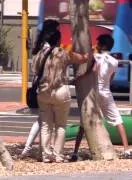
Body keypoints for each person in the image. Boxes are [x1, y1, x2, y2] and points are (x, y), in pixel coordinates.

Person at [71, 34, 132, 161]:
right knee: (117, 120)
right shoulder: (114, 61)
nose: (96, 45)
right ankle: (127, 150)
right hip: (106, 92)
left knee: (84, 122)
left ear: (102, 45)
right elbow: (111, 79)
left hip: (94, 92)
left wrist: (78, 78)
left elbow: (93, 70)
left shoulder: (95, 58)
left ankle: (75, 152)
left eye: (98, 43)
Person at [33, 29, 89, 163]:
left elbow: (35, 70)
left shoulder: (40, 54)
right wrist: (88, 53)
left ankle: (45, 155)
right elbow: (82, 59)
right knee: (61, 125)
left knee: (46, 125)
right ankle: (58, 155)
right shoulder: (62, 53)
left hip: (43, 91)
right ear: (58, 40)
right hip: (60, 91)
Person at [21, 19, 60, 157]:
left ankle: (32, 148)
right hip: (49, 87)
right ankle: (40, 149)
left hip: (38, 86)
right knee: (48, 121)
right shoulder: (53, 51)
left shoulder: (39, 48)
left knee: (42, 119)